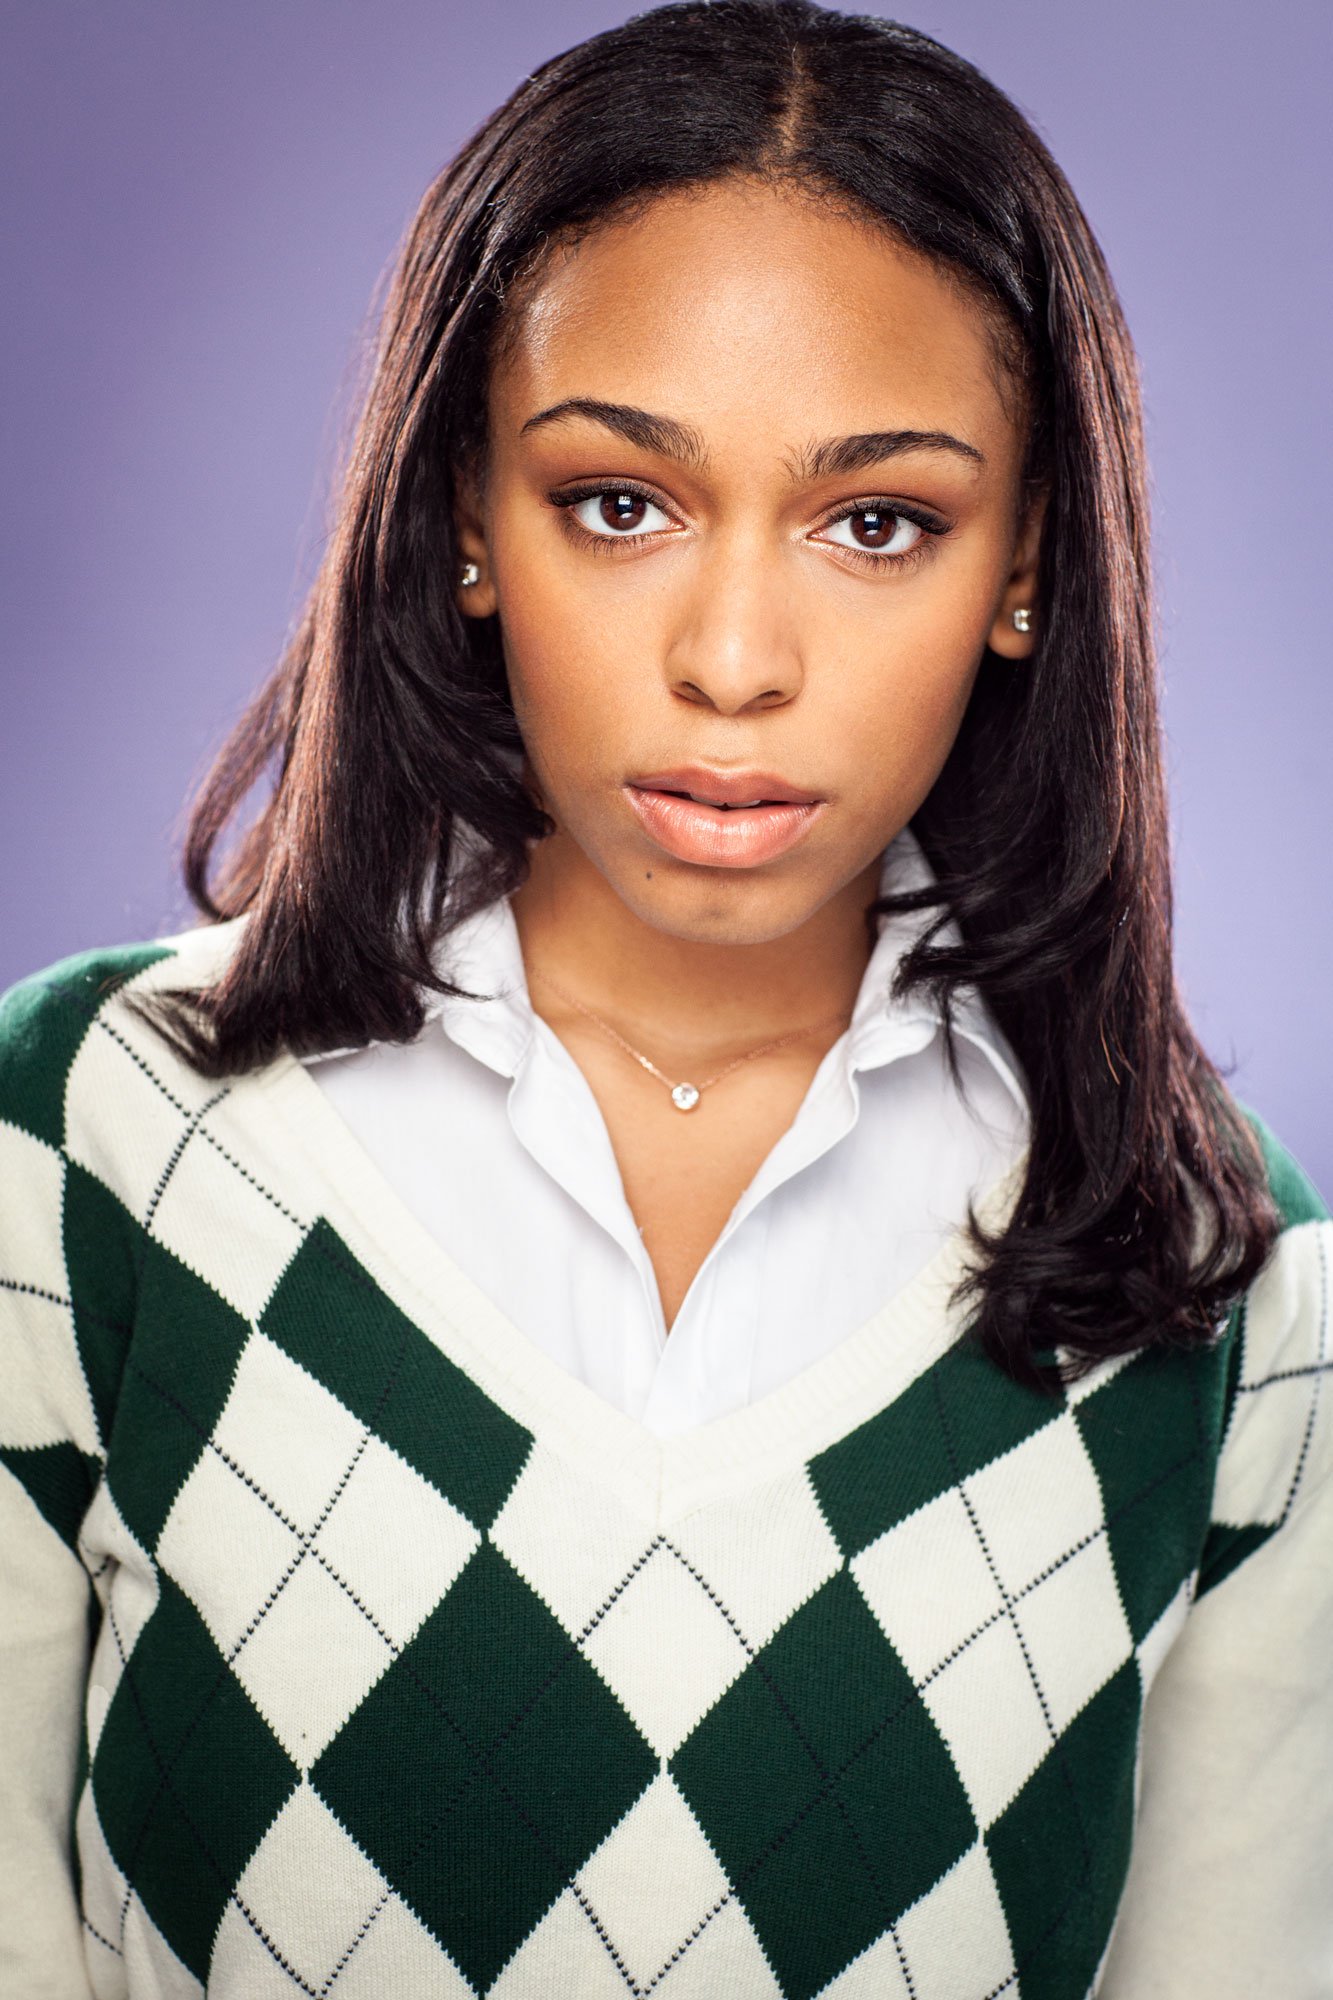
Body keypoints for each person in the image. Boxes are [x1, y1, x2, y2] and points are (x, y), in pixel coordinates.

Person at [1, 1, 1328, 1994]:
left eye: (877, 522)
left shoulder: (1228, 1286)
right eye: (619, 500)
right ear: (466, 513)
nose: (730, 656)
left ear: (1025, 567)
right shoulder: (81, 1139)